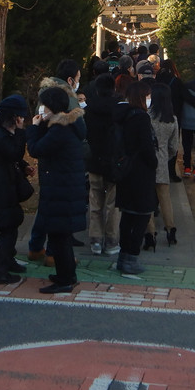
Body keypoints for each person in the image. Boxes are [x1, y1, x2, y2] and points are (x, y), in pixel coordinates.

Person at [27, 85, 87, 294]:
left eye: (44, 105)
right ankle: (67, 274)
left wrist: (34, 127)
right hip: (66, 190)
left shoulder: (59, 131)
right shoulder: (67, 125)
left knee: (59, 237)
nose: (41, 109)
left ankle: (64, 280)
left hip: (61, 191)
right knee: (61, 236)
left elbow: (36, 149)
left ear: (51, 106)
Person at [0, 94, 32, 285]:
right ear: (14, 116)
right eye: (20, 116)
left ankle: (8, 261)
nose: (22, 120)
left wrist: (24, 164)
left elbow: (10, 155)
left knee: (11, 223)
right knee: (8, 228)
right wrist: (21, 133)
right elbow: (14, 152)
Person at [114, 81, 159, 275]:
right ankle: (132, 257)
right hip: (141, 172)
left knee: (127, 216)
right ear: (142, 97)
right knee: (141, 216)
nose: (150, 99)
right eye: (147, 95)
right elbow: (147, 147)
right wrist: (154, 162)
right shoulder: (141, 118)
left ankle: (123, 257)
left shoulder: (122, 115)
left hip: (125, 170)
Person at [83, 72, 121, 256]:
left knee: (95, 201)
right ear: (113, 89)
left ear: (96, 90)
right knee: (113, 204)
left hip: (94, 160)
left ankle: (95, 240)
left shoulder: (89, 110)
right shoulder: (118, 109)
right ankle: (112, 240)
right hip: (114, 161)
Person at [145, 82, 179, 248]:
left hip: (147, 161)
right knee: (165, 198)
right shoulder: (172, 119)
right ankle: (171, 229)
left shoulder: (147, 116)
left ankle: (150, 234)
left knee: (148, 199)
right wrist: (166, 156)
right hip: (163, 161)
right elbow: (174, 146)